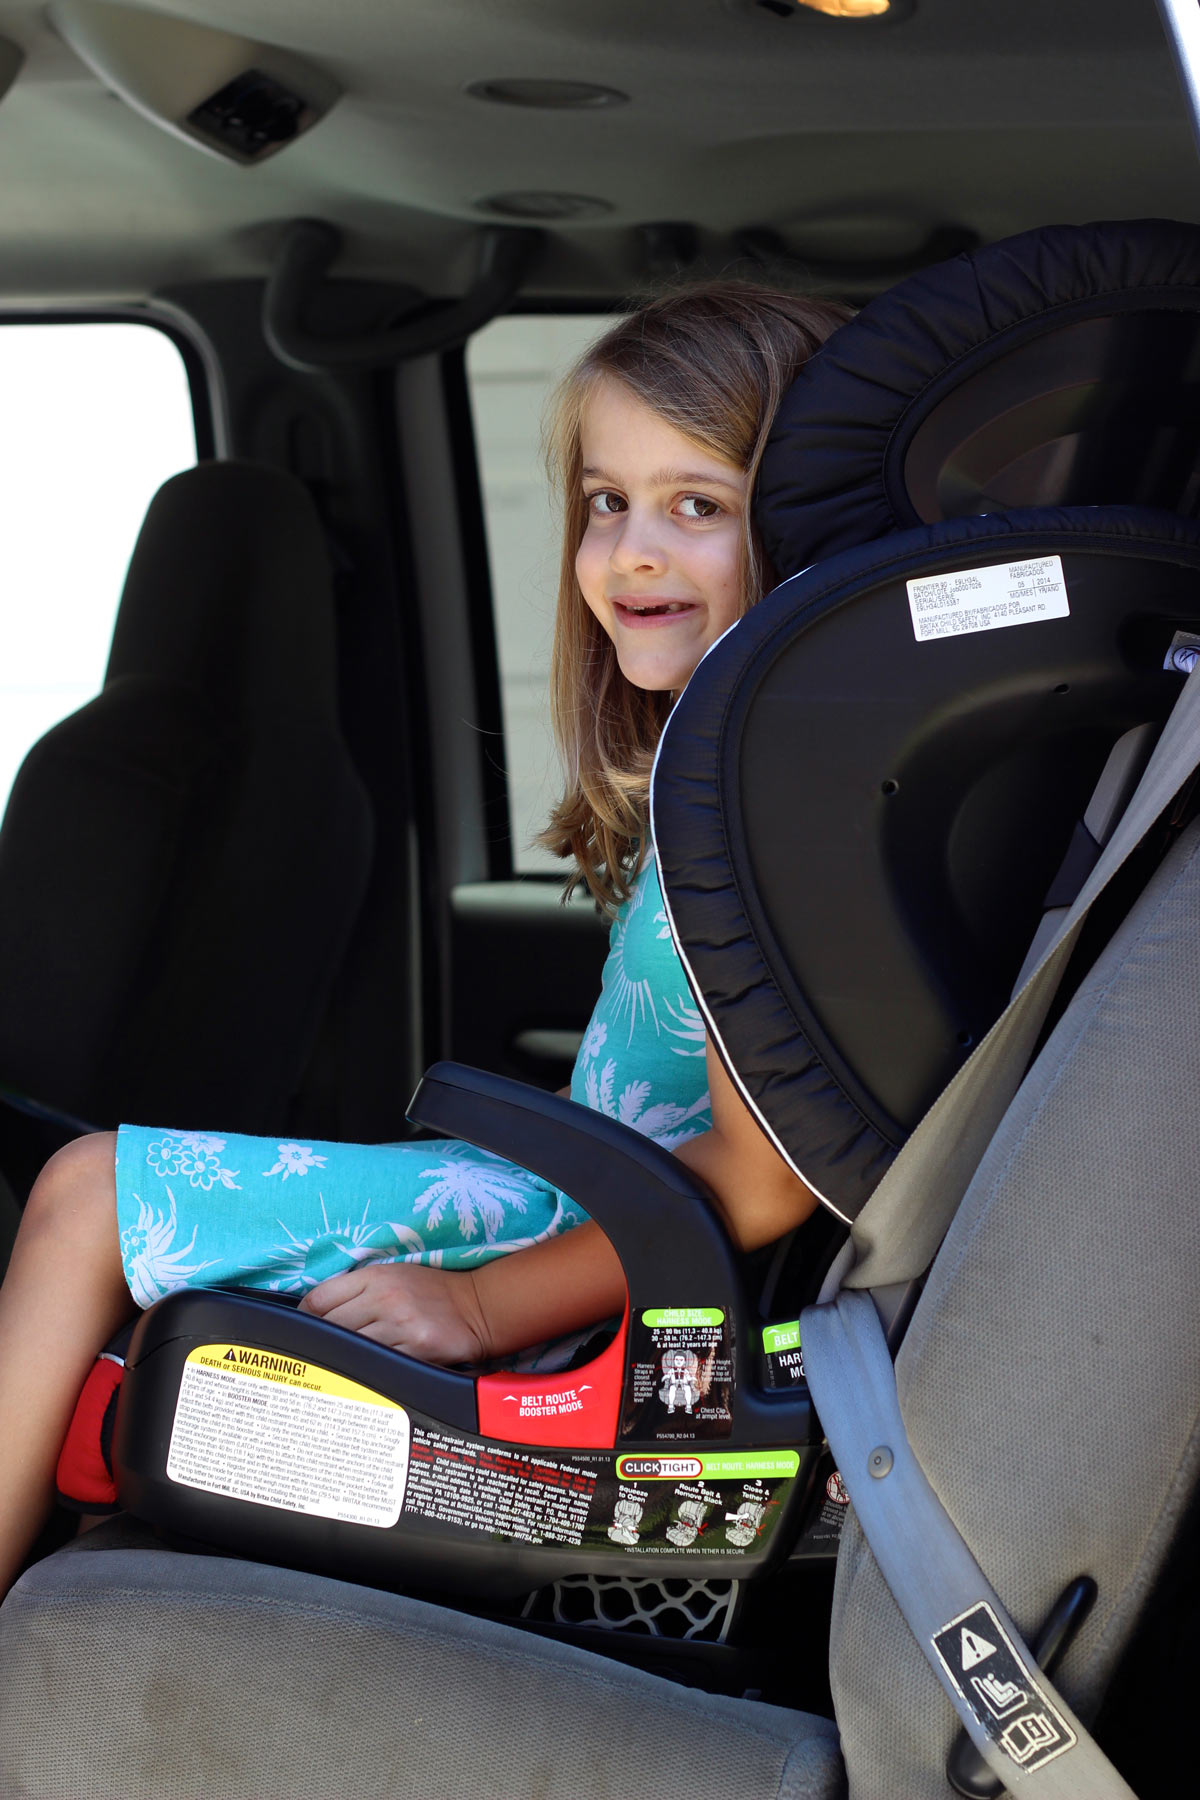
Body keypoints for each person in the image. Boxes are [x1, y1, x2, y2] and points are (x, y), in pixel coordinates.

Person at [0, 279, 851, 1594]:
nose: (631, 552)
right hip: (594, 1203)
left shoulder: (762, 789)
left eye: (699, 506)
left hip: (600, 1234)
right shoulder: (733, 757)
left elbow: (764, 1177)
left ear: (800, 523)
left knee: (82, 1194)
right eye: (606, 502)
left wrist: (479, 1308)